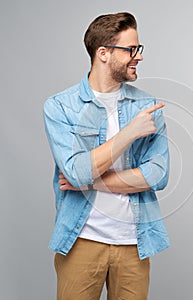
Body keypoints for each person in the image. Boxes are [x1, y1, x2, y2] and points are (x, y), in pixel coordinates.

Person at [43, 12, 170, 299]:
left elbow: (158, 174)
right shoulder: (60, 107)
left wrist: (89, 183)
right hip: (81, 241)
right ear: (103, 53)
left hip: (134, 243)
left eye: (138, 48)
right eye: (130, 49)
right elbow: (75, 171)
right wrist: (129, 133)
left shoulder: (148, 107)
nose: (138, 56)